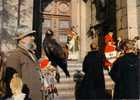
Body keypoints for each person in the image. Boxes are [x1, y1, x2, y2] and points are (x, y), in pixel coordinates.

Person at [3, 25, 41, 100]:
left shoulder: (32, 54)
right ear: (22, 39)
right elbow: (13, 84)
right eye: (30, 35)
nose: (33, 38)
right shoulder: (15, 56)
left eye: (32, 35)